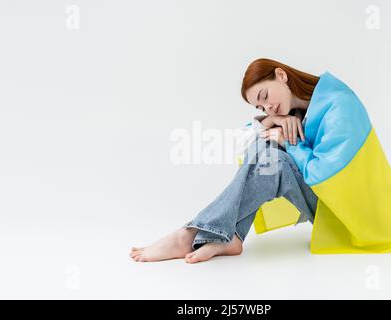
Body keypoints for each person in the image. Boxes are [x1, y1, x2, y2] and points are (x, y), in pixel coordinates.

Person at [130, 58, 321, 263]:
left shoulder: (331, 102)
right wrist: (274, 121)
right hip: (312, 189)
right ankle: (232, 236)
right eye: (261, 108)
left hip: (333, 205)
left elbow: (325, 171)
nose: (268, 107)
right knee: (262, 147)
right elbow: (245, 139)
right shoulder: (292, 112)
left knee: (273, 161)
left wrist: (289, 144)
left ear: (281, 75)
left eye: (265, 96)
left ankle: (192, 233)